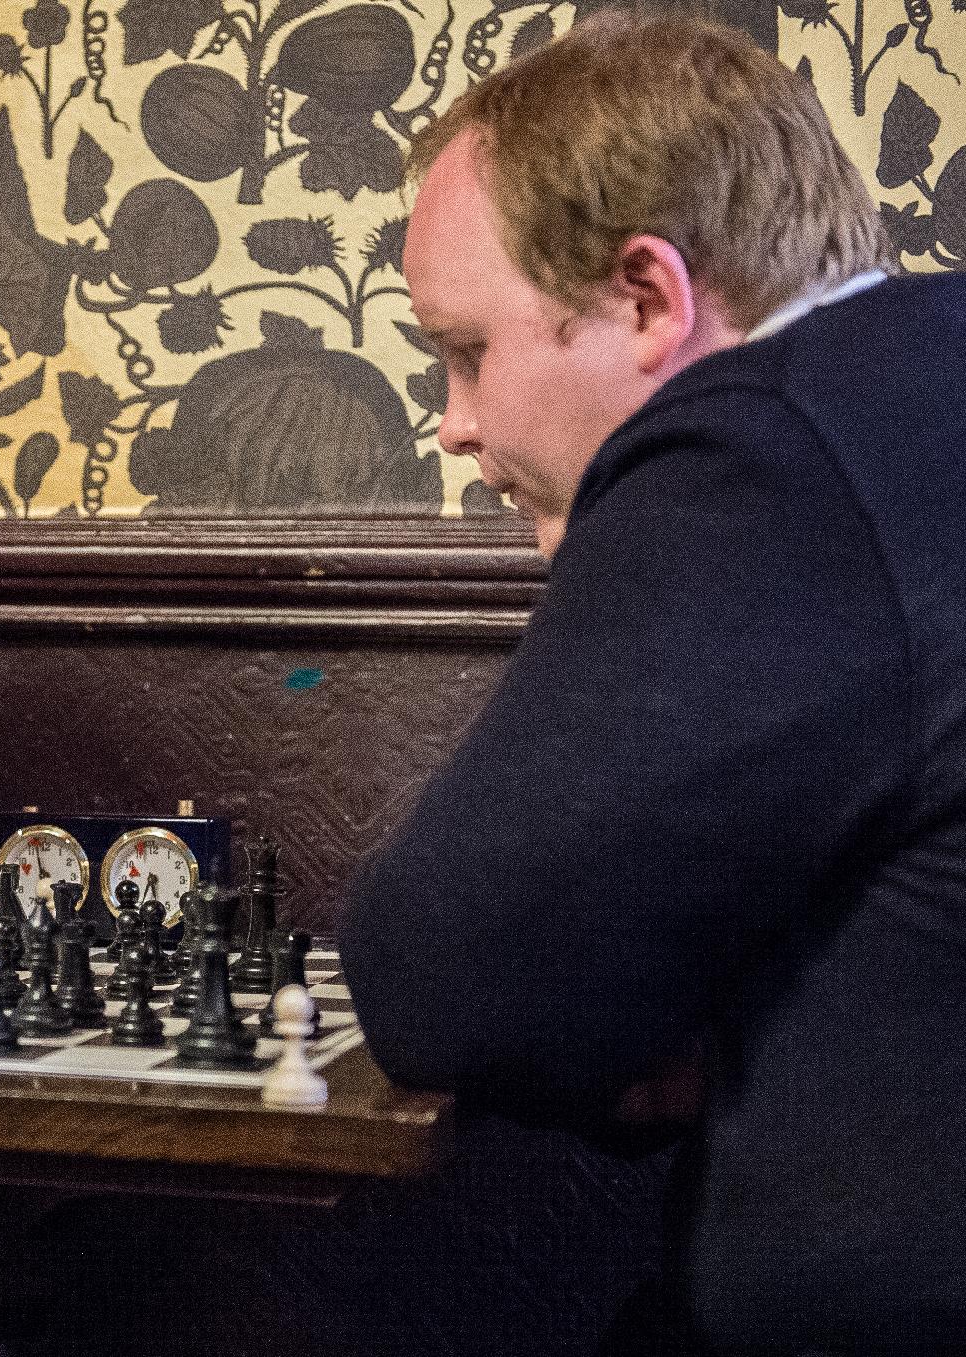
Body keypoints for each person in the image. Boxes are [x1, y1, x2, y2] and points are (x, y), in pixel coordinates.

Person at [341, 10, 966, 1354]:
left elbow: (443, 974)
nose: (455, 423)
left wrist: (638, 1025)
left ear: (647, 298)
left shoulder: (775, 453)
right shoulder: (921, 387)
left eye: (467, 350)